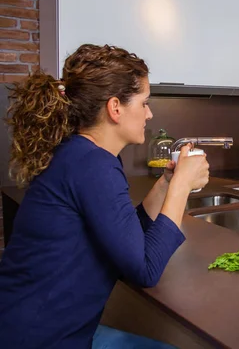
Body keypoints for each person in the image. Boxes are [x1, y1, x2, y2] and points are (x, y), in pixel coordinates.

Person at [0, 44, 209, 348]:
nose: (149, 114)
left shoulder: (81, 154)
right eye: (144, 103)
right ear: (115, 108)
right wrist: (182, 187)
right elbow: (145, 269)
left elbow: (125, 235)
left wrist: (167, 182)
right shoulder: (93, 165)